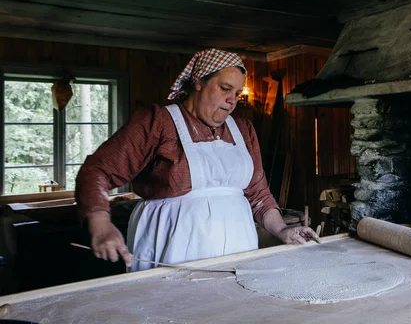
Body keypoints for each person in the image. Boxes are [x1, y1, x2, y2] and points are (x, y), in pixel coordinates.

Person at [75, 48, 318, 271]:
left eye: (237, 93)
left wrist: (283, 230)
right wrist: (101, 223)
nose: (232, 100)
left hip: (239, 247)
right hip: (172, 250)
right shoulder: (158, 122)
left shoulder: (243, 130)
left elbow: (258, 194)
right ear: (199, 82)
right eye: (225, 89)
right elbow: (97, 170)